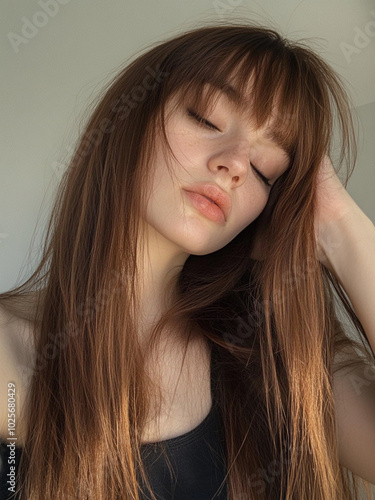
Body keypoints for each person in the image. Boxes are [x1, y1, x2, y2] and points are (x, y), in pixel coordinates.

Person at [0, 21, 374, 500]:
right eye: (206, 118)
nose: (237, 164)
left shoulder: (272, 359)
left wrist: (338, 224)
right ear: (129, 121)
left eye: (266, 169)